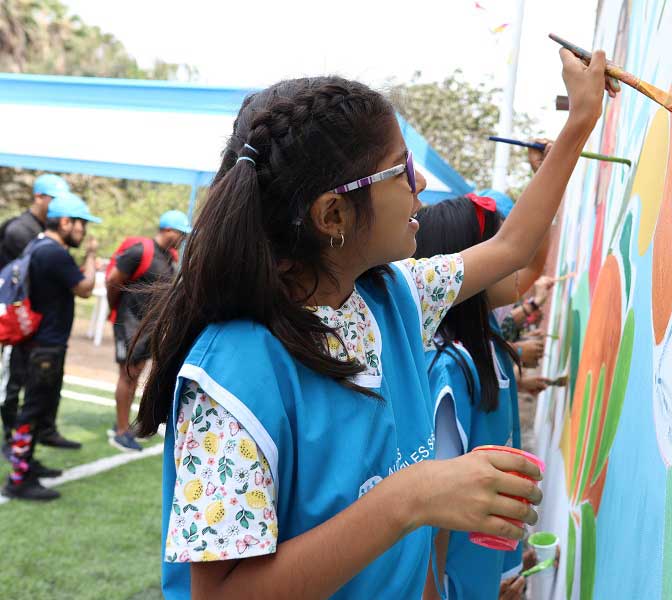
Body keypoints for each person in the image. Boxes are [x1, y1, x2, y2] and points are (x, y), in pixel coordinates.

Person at [135, 48, 612, 599]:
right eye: (402, 169)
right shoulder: (234, 377)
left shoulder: (392, 297)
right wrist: (410, 497)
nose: (422, 182)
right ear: (333, 215)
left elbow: (511, 247)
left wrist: (580, 121)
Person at [414, 192, 551, 600]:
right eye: (500, 246)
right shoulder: (452, 370)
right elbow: (433, 520)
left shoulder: (485, 344)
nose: (516, 262)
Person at [2, 192, 100, 501]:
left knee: (37, 408)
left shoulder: (37, 244)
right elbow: (85, 288)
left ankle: (27, 465)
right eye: (81, 224)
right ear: (65, 222)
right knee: (32, 410)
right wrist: (91, 256)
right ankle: (18, 479)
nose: (83, 231)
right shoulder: (54, 253)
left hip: (34, 342)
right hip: (45, 347)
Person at [105, 210, 190, 452]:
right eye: (181, 233)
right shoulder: (140, 251)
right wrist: (115, 310)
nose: (183, 239)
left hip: (147, 328)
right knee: (128, 375)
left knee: (136, 374)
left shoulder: (168, 256)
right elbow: (113, 281)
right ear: (167, 230)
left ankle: (123, 423)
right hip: (129, 324)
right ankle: (121, 432)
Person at [0, 173, 70, 451]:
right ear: (39, 197)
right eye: (55, 199)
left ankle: (42, 432)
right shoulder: (20, 230)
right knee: (14, 383)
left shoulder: (45, 230)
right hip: (18, 322)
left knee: (41, 385)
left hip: (41, 324)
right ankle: (11, 438)